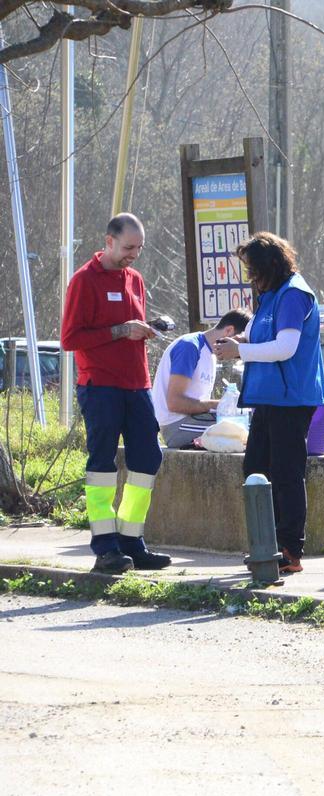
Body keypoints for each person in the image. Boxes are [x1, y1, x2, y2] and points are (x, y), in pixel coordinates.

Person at [61, 213, 172, 573]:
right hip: (100, 386)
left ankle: (131, 541)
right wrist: (121, 330)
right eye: (128, 247)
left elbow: (129, 327)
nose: (133, 255)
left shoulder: (135, 279)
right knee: (102, 465)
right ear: (109, 241)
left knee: (148, 459)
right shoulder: (83, 280)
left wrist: (146, 329)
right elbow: (70, 339)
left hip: (137, 384)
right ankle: (105, 547)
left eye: (139, 248)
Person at [214, 232, 324, 575]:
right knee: (255, 470)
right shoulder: (270, 295)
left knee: (286, 473)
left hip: (291, 399)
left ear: (272, 265)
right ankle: (265, 544)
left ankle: (290, 549)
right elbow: (258, 336)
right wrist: (237, 341)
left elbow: (285, 347)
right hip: (267, 397)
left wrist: (240, 351)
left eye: (254, 270)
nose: (251, 277)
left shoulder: (294, 294)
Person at [150, 309, 251, 448]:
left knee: (251, 425)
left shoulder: (210, 354)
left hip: (194, 420)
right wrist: (218, 405)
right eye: (239, 345)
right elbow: (174, 403)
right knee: (246, 431)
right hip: (177, 426)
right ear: (229, 331)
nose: (238, 353)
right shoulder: (189, 346)